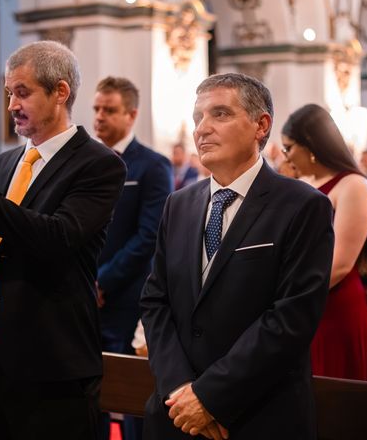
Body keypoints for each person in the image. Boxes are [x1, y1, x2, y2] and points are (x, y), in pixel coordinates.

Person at [0, 40, 126, 439]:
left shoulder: (99, 164)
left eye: (23, 92)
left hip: (51, 364)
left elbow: (55, 238)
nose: (12, 103)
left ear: (61, 92)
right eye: (9, 92)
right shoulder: (5, 162)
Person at [140, 73, 334, 440]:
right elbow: (155, 300)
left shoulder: (302, 206)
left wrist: (210, 397)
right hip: (176, 413)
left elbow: (290, 318)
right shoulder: (178, 204)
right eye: (198, 118)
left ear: (261, 126)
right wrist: (181, 388)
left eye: (220, 115)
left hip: (258, 412)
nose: (202, 129)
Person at [281, 104, 367, 382]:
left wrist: (284, 296)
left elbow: (339, 264)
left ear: (311, 145)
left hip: (333, 308)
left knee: (333, 401)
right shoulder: (301, 182)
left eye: (289, 148)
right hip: (296, 305)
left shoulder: (353, 186)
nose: (285, 156)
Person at [93, 76, 172, 440]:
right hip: (84, 293)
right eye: (96, 109)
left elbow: (148, 236)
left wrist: (103, 281)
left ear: (131, 114)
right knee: (89, 387)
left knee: (131, 390)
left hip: (128, 295)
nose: (99, 117)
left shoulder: (152, 166)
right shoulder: (88, 161)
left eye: (109, 110)